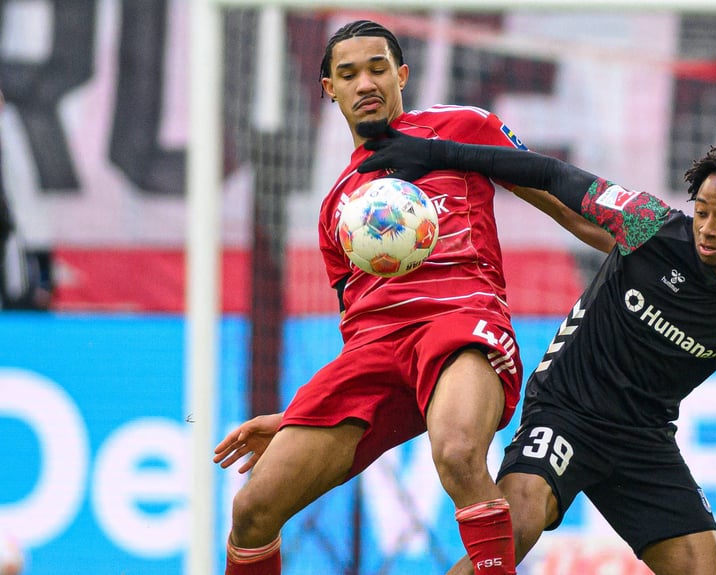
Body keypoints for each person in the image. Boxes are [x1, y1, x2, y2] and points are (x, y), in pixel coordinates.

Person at [213, 19, 611, 575]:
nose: (365, 83)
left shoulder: (462, 128)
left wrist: (643, 246)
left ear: (401, 75)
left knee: (458, 453)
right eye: (348, 74)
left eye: (377, 68)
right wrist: (293, 418)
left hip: (462, 324)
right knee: (252, 510)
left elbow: (564, 204)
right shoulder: (337, 211)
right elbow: (360, 339)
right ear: (329, 88)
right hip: (378, 351)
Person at [354, 130, 716, 575]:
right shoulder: (647, 223)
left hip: (643, 442)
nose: (707, 229)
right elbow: (552, 175)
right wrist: (436, 152)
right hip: (565, 413)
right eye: (702, 212)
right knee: (515, 528)